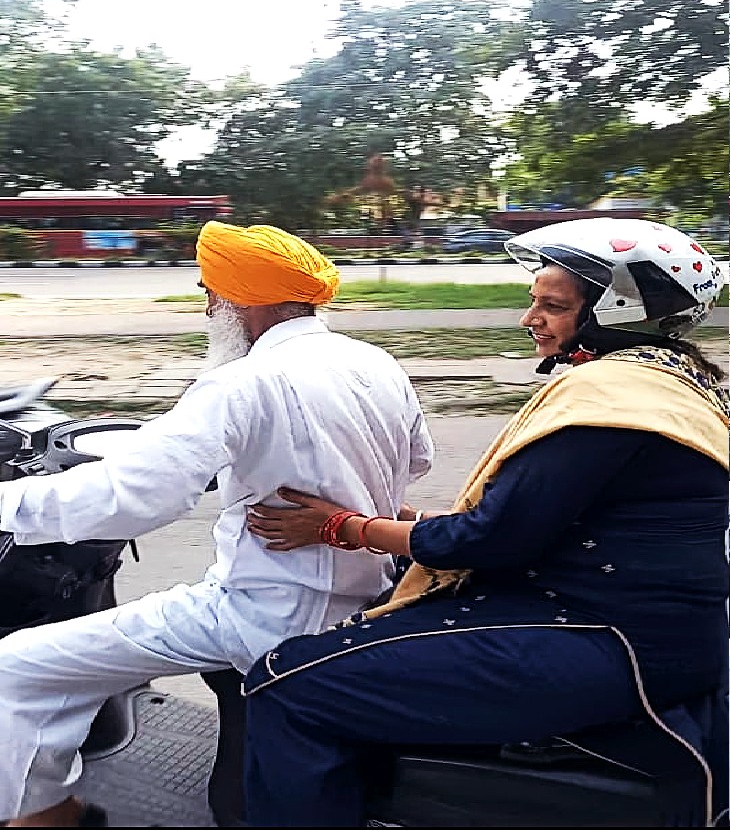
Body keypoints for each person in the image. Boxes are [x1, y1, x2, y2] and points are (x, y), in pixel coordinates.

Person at [243, 217, 730, 827]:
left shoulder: (611, 403)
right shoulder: (673, 382)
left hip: (602, 638)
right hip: (643, 628)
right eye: (535, 302)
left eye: (552, 306)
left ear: (619, 312)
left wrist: (343, 527)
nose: (531, 320)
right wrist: (411, 521)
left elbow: (488, 540)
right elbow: (554, 518)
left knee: (284, 683)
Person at [0, 221, 434, 827]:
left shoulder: (243, 381)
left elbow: (136, 494)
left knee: (16, 665)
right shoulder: (372, 360)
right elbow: (418, 460)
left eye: (211, 292)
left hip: (264, 611)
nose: (208, 305)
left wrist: (10, 504)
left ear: (242, 302)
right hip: (364, 595)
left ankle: (47, 817)